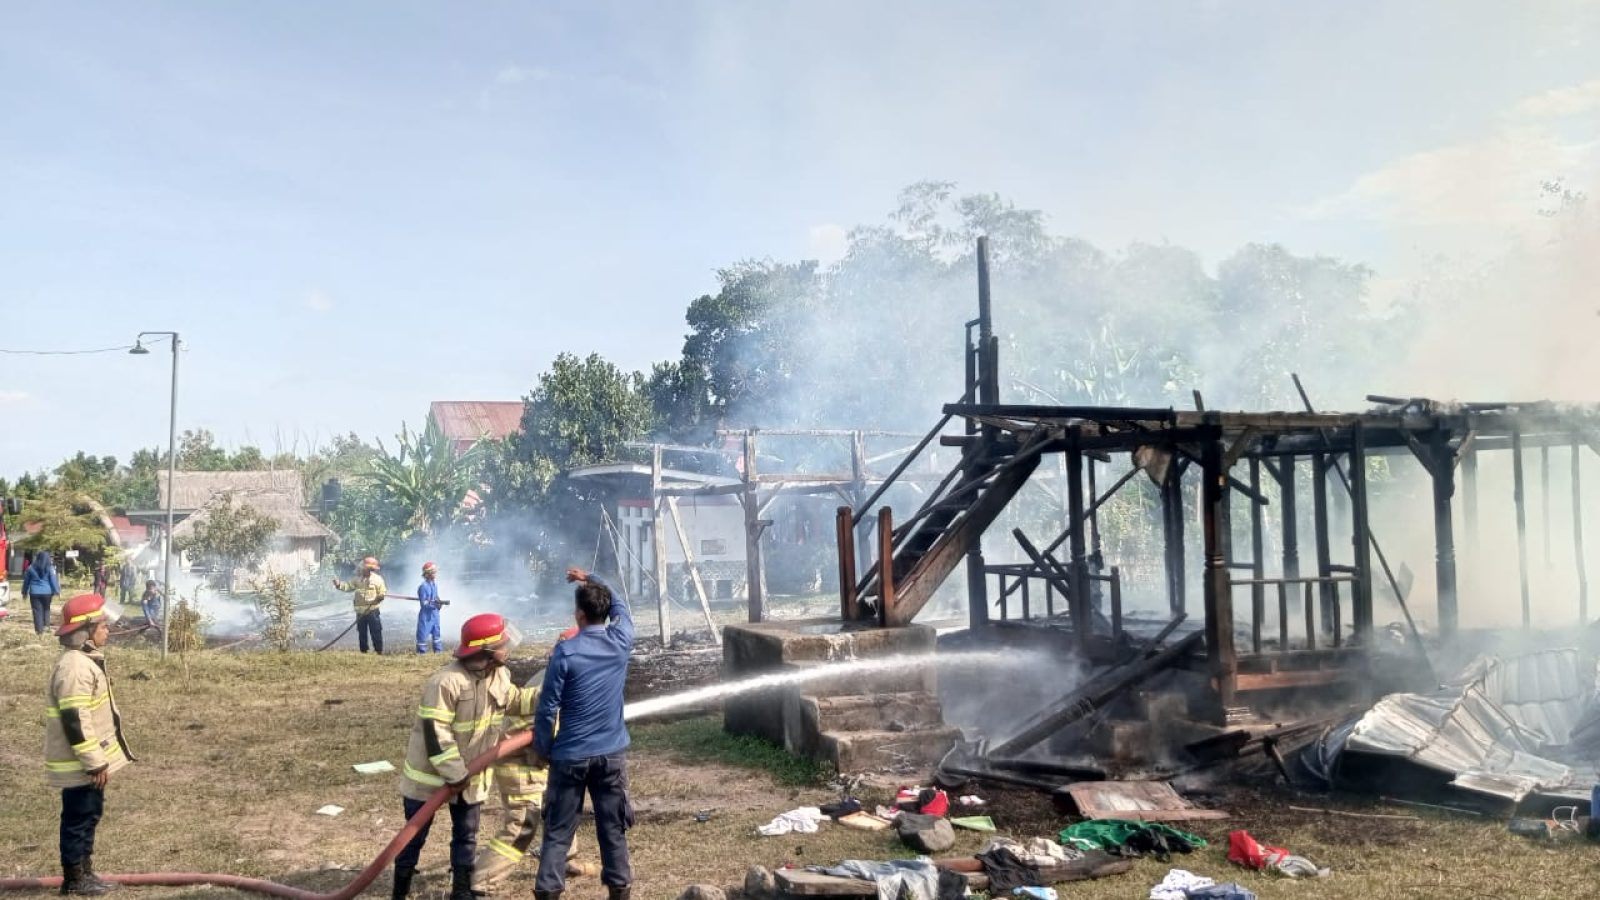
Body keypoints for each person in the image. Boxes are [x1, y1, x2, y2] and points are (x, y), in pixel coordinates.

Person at [393, 613, 537, 900]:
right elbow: (436, 735)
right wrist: (455, 772)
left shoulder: (500, 674)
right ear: (485, 650)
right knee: (413, 837)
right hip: (429, 780)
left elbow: (514, 700)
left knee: (466, 837)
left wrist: (550, 696)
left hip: (470, 778)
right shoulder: (446, 682)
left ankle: (461, 891)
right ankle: (400, 891)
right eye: (502, 645)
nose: (507, 649)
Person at [532, 567, 635, 900]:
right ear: (605, 613)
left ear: (578, 614)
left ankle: (548, 891)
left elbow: (548, 709)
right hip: (611, 756)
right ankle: (619, 890)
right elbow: (620, 604)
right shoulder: (621, 640)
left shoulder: (565, 653)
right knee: (613, 829)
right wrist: (591, 578)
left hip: (570, 756)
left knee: (558, 833)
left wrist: (542, 748)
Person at [471, 627, 585, 895]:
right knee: (523, 823)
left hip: (542, 761)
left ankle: (566, 859)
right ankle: (481, 882)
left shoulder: (562, 675)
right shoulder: (555, 682)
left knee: (560, 807)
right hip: (522, 762)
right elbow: (543, 728)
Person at [45, 593, 134, 895]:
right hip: (81, 765)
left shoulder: (83, 661)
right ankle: (74, 880)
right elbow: (75, 720)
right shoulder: (75, 668)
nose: (108, 630)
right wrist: (94, 762)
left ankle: (85, 872)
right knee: (78, 821)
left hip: (85, 765)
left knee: (88, 816)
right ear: (86, 631)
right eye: (103, 625)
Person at [333, 556, 387, 654]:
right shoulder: (357, 579)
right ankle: (363, 651)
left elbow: (382, 591)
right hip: (360, 612)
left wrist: (380, 596)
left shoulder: (378, 580)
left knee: (376, 631)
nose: (363, 570)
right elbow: (348, 587)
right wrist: (339, 585)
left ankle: (378, 651)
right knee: (362, 632)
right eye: (364, 568)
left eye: (366, 569)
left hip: (372, 611)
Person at [23, 549, 61, 635]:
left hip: (34, 593)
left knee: (37, 611)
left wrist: (24, 592)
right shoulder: (50, 568)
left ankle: (39, 631)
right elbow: (53, 581)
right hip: (47, 593)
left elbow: (26, 582)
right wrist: (57, 591)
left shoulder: (30, 568)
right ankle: (46, 626)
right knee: (46, 609)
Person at [415, 562, 444, 655]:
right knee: (423, 634)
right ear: (427, 574)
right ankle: (421, 653)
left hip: (435, 614)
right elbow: (424, 603)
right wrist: (434, 604)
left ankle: (438, 652)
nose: (435, 574)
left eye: (435, 572)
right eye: (433, 572)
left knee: (436, 633)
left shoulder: (434, 584)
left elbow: (436, 597)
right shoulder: (423, 587)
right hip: (426, 616)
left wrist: (439, 603)